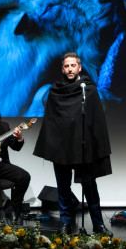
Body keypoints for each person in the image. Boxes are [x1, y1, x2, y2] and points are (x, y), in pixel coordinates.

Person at [33, 52, 112, 235]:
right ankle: (65, 223)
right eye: (66, 66)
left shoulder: (89, 89)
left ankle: (98, 224)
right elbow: (51, 120)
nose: (70, 69)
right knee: (63, 187)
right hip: (62, 146)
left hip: (83, 147)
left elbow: (96, 120)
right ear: (62, 69)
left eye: (73, 66)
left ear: (79, 67)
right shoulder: (55, 90)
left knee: (90, 186)